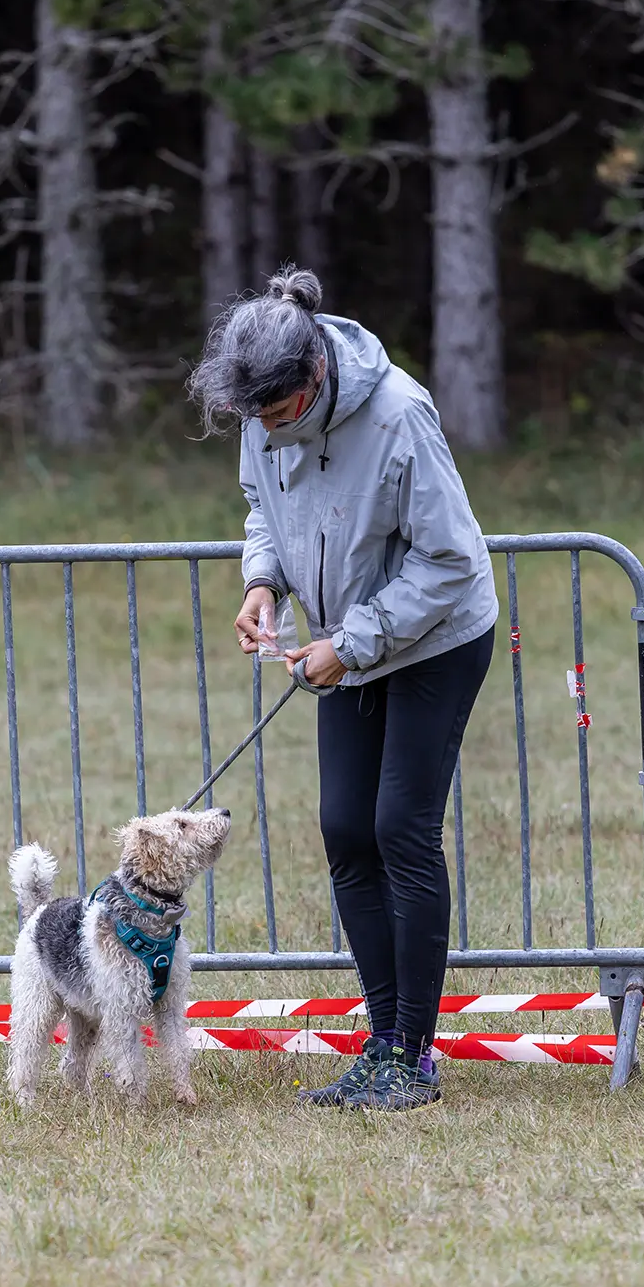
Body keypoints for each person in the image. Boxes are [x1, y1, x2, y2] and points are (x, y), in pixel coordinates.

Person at [188, 266, 497, 1112]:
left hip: (436, 638)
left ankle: (416, 1058)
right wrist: (262, 582)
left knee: (400, 826)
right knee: (343, 829)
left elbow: (451, 560)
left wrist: (348, 643)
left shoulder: (400, 415)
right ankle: (382, 1040)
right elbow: (265, 507)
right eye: (254, 419)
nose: (266, 432)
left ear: (314, 378)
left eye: (276, 416)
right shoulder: (265, 411)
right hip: (346, 645)